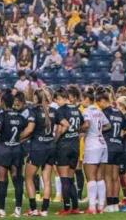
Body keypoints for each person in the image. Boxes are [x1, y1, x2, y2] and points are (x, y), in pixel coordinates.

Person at [0, 90, 28, 217]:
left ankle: (1, 211)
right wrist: (20, 138)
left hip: (3, 150)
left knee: (2, 181)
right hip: (17, 150)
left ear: (2, 102)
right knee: (17, 180)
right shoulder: (20, 117)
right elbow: (28, 130)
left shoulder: (2, 116)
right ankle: (17, 210)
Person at [25, 89, 57, 216]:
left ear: (37, 98)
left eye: (34, 97)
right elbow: (64, 125)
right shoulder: (54, 111)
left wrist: (19, 138)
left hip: (38, 148)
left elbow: (29, 129)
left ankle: (33, 209)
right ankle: (44, 210)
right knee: (47, 180)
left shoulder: (34, 111)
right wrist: (55, 139)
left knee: (28, 178)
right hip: (50, 148)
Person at [54, 87, 84, 215]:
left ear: (61, 98)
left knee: (64, 179)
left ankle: (66, 208)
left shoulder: (61, 110)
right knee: (71, 179)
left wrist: (55, 139)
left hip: (64, 146)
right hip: (75, 146)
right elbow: (84, 124)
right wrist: (76, 132)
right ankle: (75, 207)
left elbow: (64, 126)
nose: (57, 102)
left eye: (57, 100)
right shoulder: (76, 109)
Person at [81, 88, 111, 214]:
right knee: (100, 177)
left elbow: (87, 124)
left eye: (82, 99)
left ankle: (92, 207)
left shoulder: (87, 111)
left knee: (91, 177)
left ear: (87, 99)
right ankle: (101, 207)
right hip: (102, 144)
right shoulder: (99, 111)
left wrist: (79, 130)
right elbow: (108, 125)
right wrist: (98, 132)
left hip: (92, 144)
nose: (81, 101)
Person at [97, 88, 125, 212]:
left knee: (107, 177)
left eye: (99, 102)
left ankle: (109, 204)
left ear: (104, 100)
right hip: (119, 146)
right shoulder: (118, 112)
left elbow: (100, 127)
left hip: (109, 146)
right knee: (115, 177)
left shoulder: (104, 112)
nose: (99, 105)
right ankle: (115, 203)